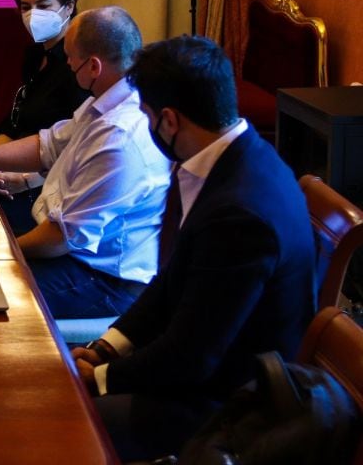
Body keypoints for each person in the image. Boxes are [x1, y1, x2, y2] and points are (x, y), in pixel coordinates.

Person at [70, 36, 316, 461]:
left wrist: (102, 378)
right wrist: (105, 348)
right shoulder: (232, 156)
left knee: (61, 420)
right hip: (199, 374)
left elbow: (191, 358)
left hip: (230, 407)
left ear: (169, 121)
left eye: (145, 115)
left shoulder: (239, 215)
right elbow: (170, 282)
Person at [0, 7, 170, 319]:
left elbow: (62, 238)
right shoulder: (106, 101)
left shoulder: (120, 137)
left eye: (71, 56)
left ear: (94, 67)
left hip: (101, 278)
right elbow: (47, 145)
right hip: (62, 243)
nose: (68, 62)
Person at [0, 0, 89, 235]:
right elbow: (16, 120)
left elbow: (78, 145)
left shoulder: (77, 67)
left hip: (50, 185)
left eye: (44, 6)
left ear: (68, 7)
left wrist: (25, 179)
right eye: (26, 7)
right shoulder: (35, 54)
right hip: (17, 171)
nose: (33, 15)